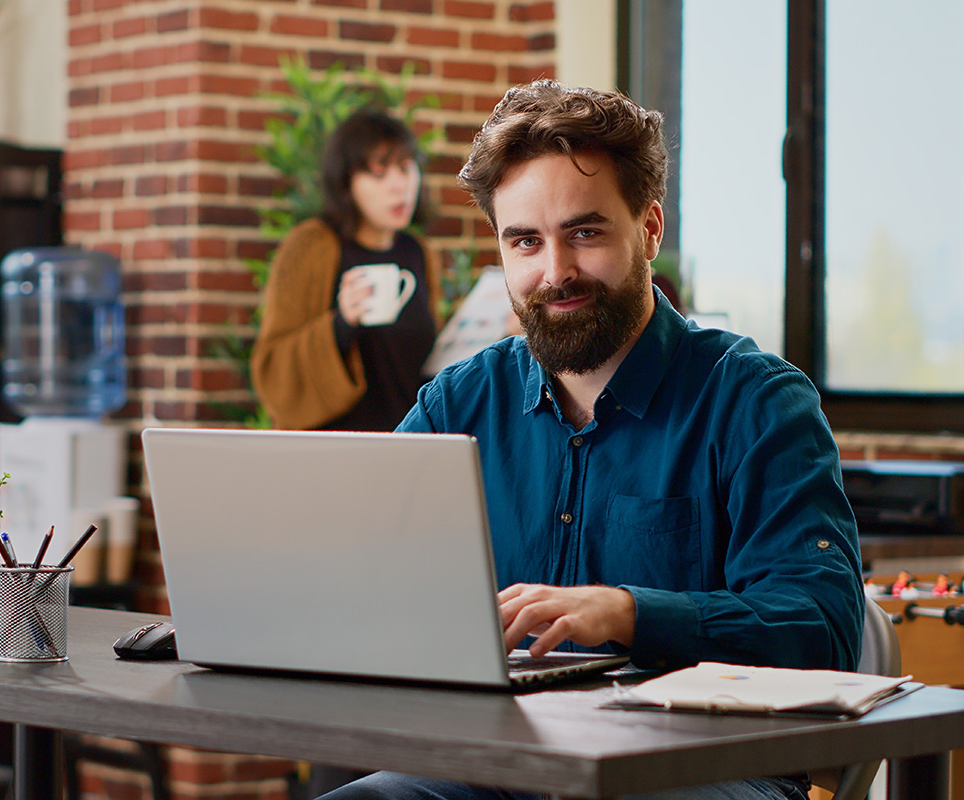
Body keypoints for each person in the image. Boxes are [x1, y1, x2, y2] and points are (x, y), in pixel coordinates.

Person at [320, 82, 865, 800]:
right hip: (500, 768)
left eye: (585, 233)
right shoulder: (458, 403)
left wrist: (629, 613)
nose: (555, 272)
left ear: (648, 229)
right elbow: (356, 577)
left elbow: (820, 625)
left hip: (700, 771)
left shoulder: (757, 401)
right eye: (525, 241)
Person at [251, 109, 441, 432]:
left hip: (409, 445)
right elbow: (272, 369)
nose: (400, 186)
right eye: (379, 173)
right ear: (346, 182)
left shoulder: (418, 252)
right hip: (332, 451)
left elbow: (424, 366)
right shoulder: (313, 246)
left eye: (406, 168)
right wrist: (342, 324)